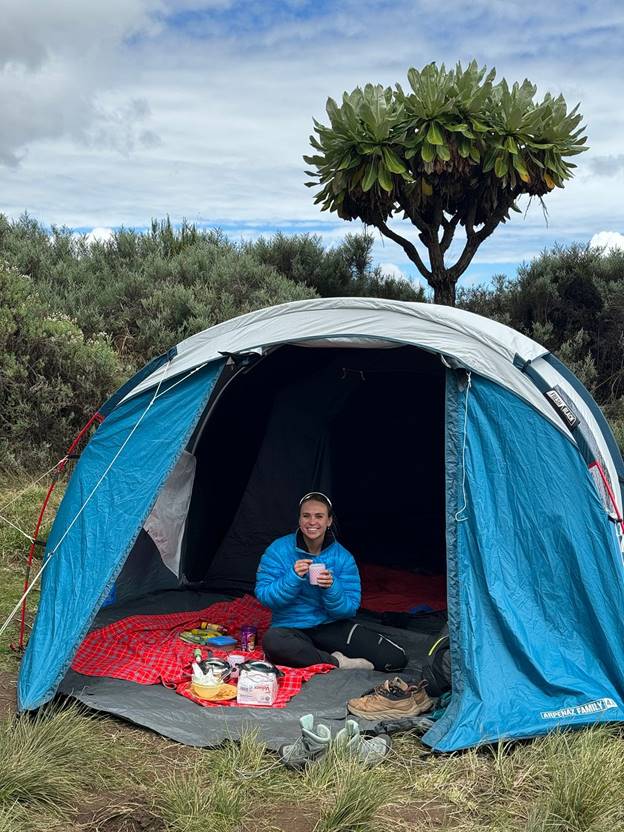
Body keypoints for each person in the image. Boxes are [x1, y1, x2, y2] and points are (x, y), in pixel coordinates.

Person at [255, 492, 408, 672]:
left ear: (329, 521)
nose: (312, 522)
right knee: (272, 641)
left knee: (395, 660)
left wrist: (331, 588)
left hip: (331, 627)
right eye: (306, 516)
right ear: (299, 519)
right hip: (290, 627)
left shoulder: (343, 557)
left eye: (319, 516)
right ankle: (338, 662)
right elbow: (264, 597)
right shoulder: (278, 550)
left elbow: (349, 609)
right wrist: (293, 577)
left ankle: (312, 657)